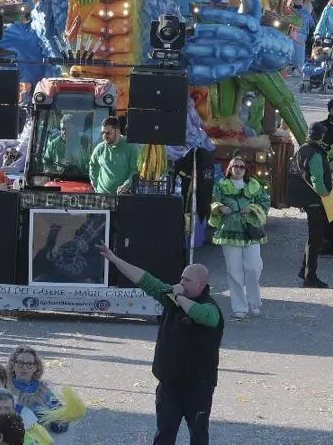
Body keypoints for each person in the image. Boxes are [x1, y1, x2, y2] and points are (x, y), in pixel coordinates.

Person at [99, 243, 222, 445]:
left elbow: (197, 314)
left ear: (201, 284)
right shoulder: (171, 297)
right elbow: (144, 279)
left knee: (199, 435)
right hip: (169, 384)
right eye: (181, 277)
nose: (181, 282)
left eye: (187, 280)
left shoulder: (210, 308)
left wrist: (178, 295)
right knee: (164, 434)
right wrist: (114, 259)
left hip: (198, 386)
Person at [209, 154, 269, 321]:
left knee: (254, 267)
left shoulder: (254, 185)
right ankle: (239, 308)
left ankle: (254, 303)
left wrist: (252, 207)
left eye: (242, 167)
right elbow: (213, 202)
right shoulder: (221, 185)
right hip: (229, 231)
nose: (239, 169)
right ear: (230, 168)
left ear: (246, 169)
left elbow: (265, 203)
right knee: (234, 271)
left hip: (251, 231)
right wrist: (220, 207)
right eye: (235, 166)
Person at [288, 120, 333, 289]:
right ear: (321, 136)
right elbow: (316, 179)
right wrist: (326, 194)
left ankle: (304, 269)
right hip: (315, 200)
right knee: (316, 239)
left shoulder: (303, 149)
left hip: (306, 199)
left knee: (313, 237)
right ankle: (310, 276)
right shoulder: (315, 153)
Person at [87, 116, 139, 194]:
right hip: (102, 196)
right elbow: (93, 165)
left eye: (108, 133)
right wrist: (96, 185)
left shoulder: (131, 147)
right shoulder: (100, 148)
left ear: (117, 132)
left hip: (123, 196)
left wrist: (126, 185)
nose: (104, 136)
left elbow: (135, 171)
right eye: (103, 133)